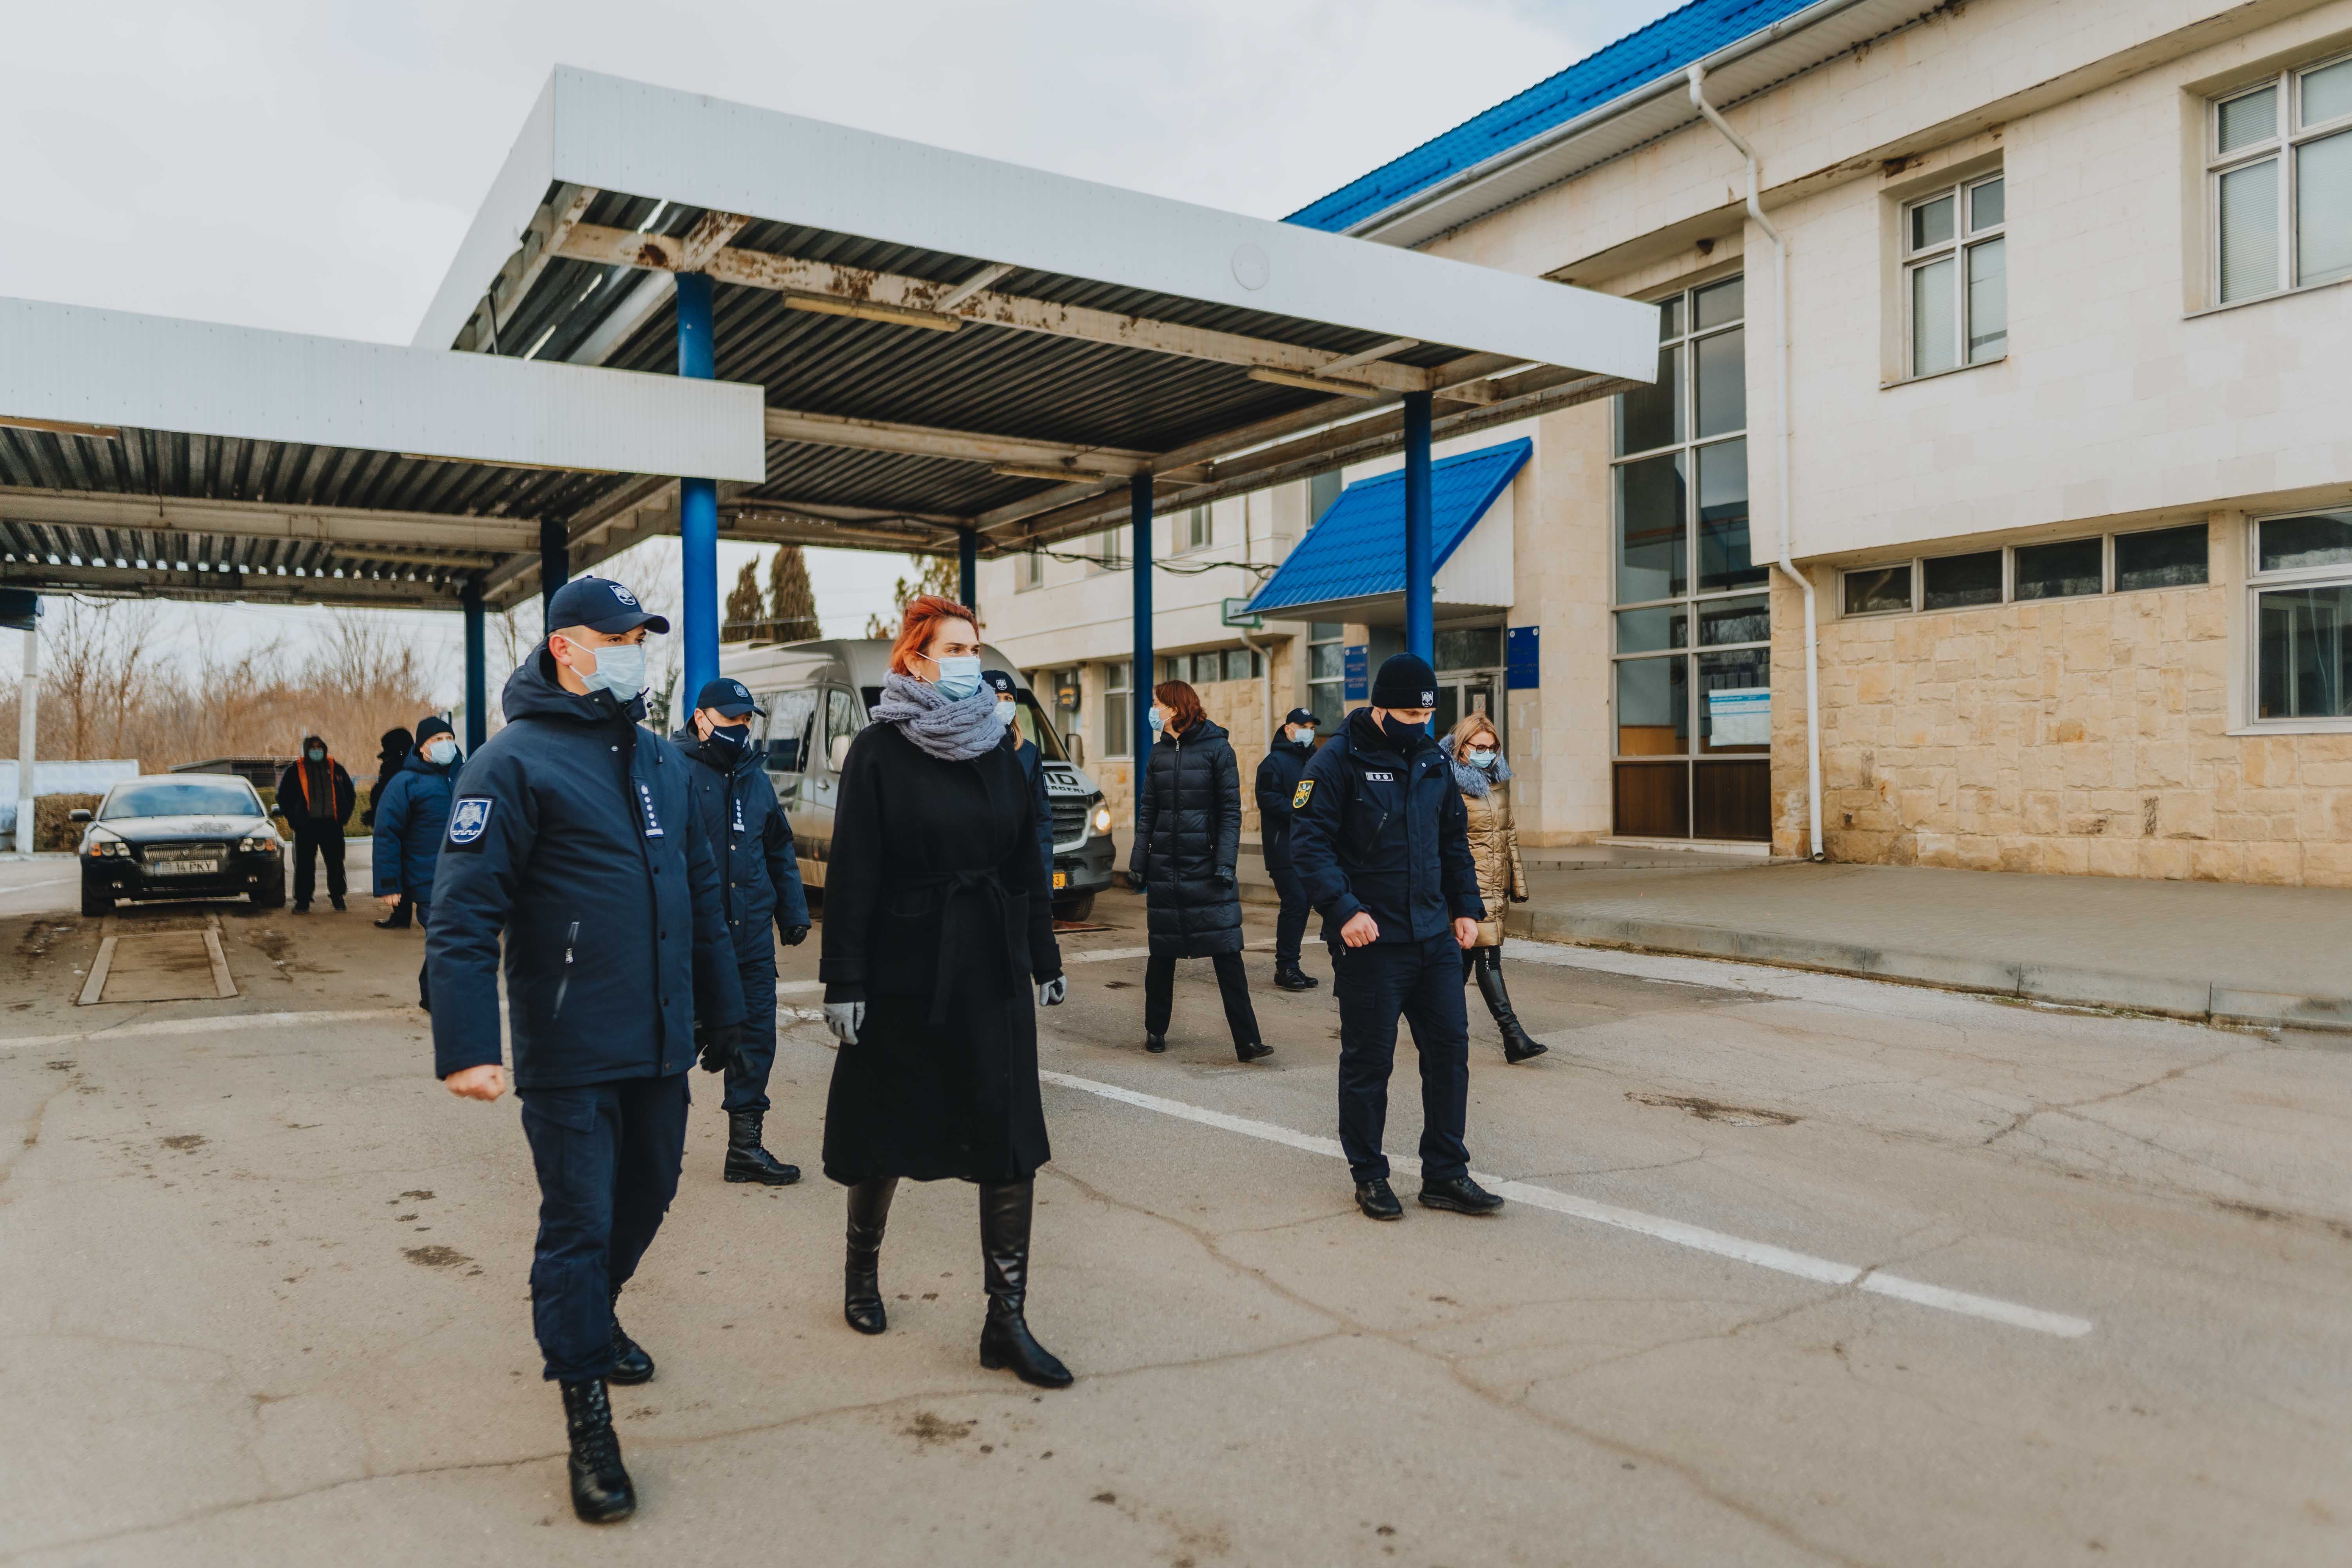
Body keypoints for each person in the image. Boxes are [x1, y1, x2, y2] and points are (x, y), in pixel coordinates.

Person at [426, 577, 747, 1526]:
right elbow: (462, 914)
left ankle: (591, 1311)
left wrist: (725, 1011)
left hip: (660, 1037)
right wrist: (468, 1044)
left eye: (641, 638)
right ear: (565, 647)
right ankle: (587, 1415)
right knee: (578, 1220)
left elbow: (698, 893)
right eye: (618, 639)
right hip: (569, 1042)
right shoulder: (509, 763)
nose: (635, 653)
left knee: (651, 1190)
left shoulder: (661, 761)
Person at [817, 595, 1073, 1390]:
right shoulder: (879, 750)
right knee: (884, 1124)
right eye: (955, 649)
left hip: (990, 965)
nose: (970, 661)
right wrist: (844, 979)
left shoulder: (1002, 746)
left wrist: (1044, 955)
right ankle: (862, 1272)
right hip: (904, 966)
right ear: (916, 659)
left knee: (1010, 1134)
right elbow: (854, 873)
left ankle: (1006, 1319)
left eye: (975, 648)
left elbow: (1026, 864)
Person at [1288, 652, 1503, 1223]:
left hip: (1433, 938)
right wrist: (1343, 911)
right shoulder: (1336, 761)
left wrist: (1466, 907)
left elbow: (1452, 841)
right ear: (1380, 707)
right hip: (1371, 942)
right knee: (1369, 1065)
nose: (1421, 724)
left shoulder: (1434, 759)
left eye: (1427, 715)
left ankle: (1445, 1173)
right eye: (1410, 714)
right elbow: (1308, 845)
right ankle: (1369, 1175)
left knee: (1450, 1056)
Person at [671, 675, 811, 1186]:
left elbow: (777, 846)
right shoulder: (671, 770)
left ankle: (745, 1150)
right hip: (690, 944)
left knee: (756, 1042)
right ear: (701, 718)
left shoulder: (755, 777)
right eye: (732, 717)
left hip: (750, 941)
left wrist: (792, 912)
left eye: (747, 719)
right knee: (671, 1045)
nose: (741, 727)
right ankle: (635, 1146)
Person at [1131, 681, 1272, 1062]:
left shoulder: (1218, 749)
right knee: (1162, 956)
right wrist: (1139, 864)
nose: (1153, 710)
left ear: (1176, 708)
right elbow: (1148, 812)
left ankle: (1248, 1042)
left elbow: (1230, 813)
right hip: (1166, 869)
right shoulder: (1158, 753)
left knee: (1227, 954)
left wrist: (1225, 863)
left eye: (1157, 704)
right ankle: (1156, 1029)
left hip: (1208, 870)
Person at [1445, 713, 1544, 1063]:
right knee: (1487, 958)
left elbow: (1508, 834)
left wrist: (1517, 883)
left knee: (1462, 963)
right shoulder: (1446, 782)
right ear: (1462, 747)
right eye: (1480, 747)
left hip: (1494, 886)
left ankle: (1432, 1020)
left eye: (1493, 748)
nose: (1487, 753)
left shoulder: (1497, 781)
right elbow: (1444, 842)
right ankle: (1513, 1036)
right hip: (1467, 889)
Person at [371, 715, 461, 1011]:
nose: (446, 745)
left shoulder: (466, 776)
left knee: (455, 938)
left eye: (449, 739)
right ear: (422, 747)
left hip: (463, 878)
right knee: (444, 936)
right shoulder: (405, 783)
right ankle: (437, 998)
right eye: (438, 740)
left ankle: (434, 993)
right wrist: (389, 884)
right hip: (426, 880)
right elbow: (387, 834)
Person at [1254, 707, 1323, 992]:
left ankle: (1291, 965)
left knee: (1303, 904)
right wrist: (1299, 811)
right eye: (1303, 727)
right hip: (1283, 848)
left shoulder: (1315, 761)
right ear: (1288, 729)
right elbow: (1266, 798)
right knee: (1295, 902)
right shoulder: (1272, 763)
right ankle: (1286, 967)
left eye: (1312, 728)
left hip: (1310, 846)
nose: (1309, 732)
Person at [982, 668, 1054, 885]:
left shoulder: (1028, 752)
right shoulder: (965, 748)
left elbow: (1041, 820)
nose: (1003, 704)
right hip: (980, 873)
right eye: (996, 698)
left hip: (1017, 871)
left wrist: (1043, 884)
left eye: (1009, 699)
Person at [275, 736, 355, 913]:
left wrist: (344, 816)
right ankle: (303, 901)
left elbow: (350, 794)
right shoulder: (295, 770)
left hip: (332, 825)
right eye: (313, 748)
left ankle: (338, 897)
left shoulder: (336, 768)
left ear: (325, 749)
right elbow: (283, 797)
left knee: (336, 864)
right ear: (307, 750)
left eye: (320, 748)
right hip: (306, 826)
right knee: (304, 865)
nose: (317, 751)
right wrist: (295, 820)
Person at [364, 726, 415, 928]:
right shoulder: (414, 765)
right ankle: (403, 914)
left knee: (398, 868)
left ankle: (401, 915)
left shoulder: (395, 768)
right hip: (409, 826)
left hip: (398, 826)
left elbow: (383, 795)